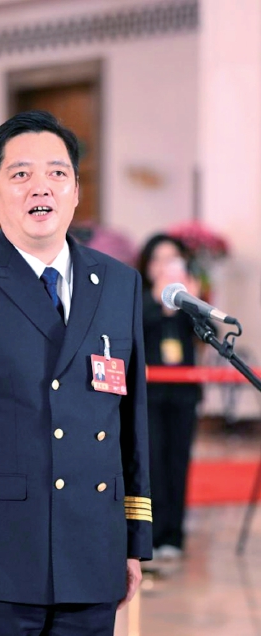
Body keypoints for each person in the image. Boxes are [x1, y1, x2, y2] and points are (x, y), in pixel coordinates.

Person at [0, 110, 152, 636]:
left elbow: (130, 424)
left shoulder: (119, 284)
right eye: (21, 174)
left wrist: (132, 540)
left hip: (92, 554)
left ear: (76, 191)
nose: (41, 186)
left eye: (57, 173)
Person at [137, 233, 202, 561]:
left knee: (179, 462)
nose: (165, 266)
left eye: (172, 259)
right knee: (152, 462)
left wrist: (192, 302)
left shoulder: (188, 298)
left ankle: (174, 534)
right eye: (158, 259)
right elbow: (134, 332)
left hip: (183, 396)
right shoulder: (138, 298)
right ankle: (153, 532)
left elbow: (206, 335)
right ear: (148, 265)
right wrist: (157, 301)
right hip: (149, 396)